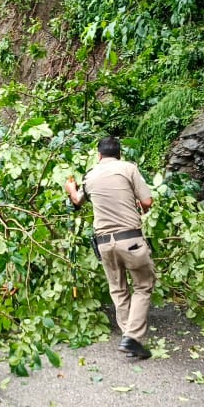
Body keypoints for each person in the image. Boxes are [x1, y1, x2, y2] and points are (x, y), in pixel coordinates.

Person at [64, 137, 156, 359]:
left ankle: (128, 337)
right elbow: (147, 202)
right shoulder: (128, 168)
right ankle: (132, 338)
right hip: (131, 240)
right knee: (143, 285)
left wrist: (69, 188)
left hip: (104, 243)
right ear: (120, 154)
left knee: (118, 289)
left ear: (99, 155)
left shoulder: (90, 175)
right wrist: (136, 203)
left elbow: (77, 200)